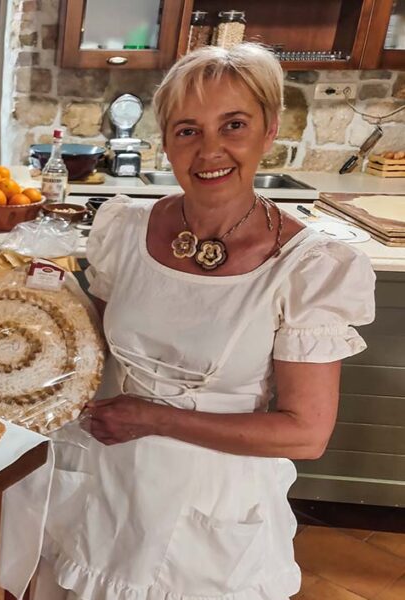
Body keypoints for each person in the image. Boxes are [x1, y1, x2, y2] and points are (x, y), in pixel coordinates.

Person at [33, 43, 376, 600]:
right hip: (105, 475)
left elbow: (306, 432)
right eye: (188, 130)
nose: (210, 150)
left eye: (233, 125)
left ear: (269, 131)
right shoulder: (126, 229)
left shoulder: (307, 267)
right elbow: (89, 348)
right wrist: (31, 307)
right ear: (166, 142)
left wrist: (154, 419)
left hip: (211, 501)